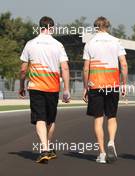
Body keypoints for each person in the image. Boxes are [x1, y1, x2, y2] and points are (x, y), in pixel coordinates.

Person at [19, 16, 71, 164]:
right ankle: (45, 148)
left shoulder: (30, 44)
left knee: (40, 118)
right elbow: (65, 67)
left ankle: (45, 149)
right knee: (50, 119)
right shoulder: (58, 45)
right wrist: (66, 90)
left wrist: (22, 86)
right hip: (53, 87)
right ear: (52, 28)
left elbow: (23, 69)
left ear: (40, 27)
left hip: (35, 86)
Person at [82, 16, 128, 164]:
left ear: (95, 27)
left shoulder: (89, 43)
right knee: (112, 116)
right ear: (108, 27)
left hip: (95, 85)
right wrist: (124, 83)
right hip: (112, 84)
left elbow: (86, 68)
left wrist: (85, 87)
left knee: (98, 119)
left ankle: (101, 153)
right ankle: (111, 142)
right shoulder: (116, 42)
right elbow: (124, 64)